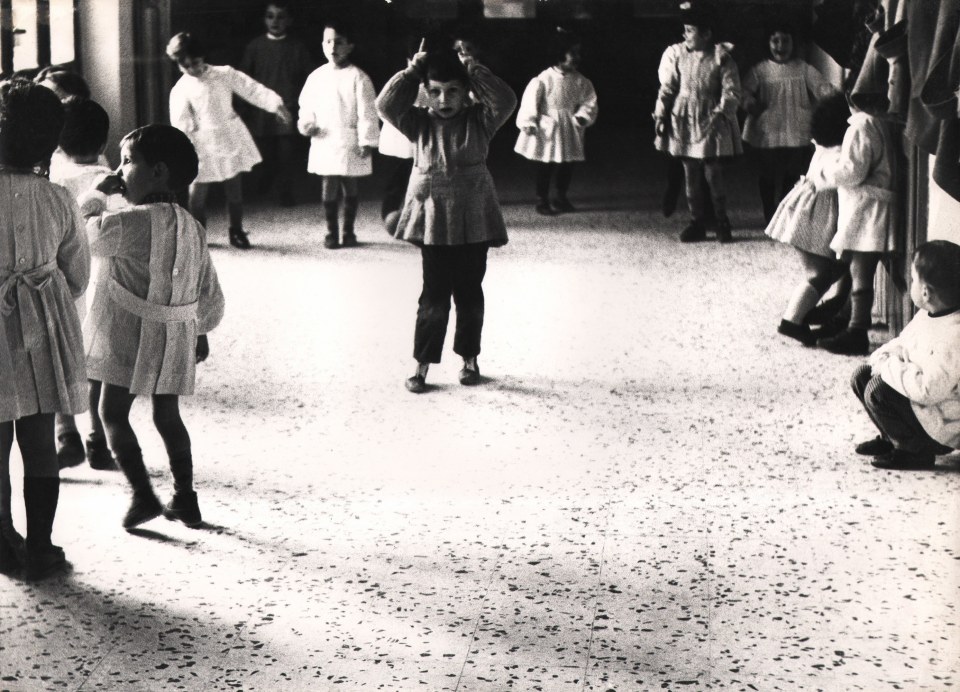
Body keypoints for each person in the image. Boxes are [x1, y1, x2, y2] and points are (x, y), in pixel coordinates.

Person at [78, 124, 225, 529]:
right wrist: (201, 329)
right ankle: (185, 497)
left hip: (128, 333)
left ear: (158, 172)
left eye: (127, 162)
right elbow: (206, 288)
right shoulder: (193, 226)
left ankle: (143, 495)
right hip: (177, 334)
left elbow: (78, 233)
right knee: (168, 416)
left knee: (111, 414)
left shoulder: (128, 224)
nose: (121, 171)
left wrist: (99, 193)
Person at [377, 46, 517, 393]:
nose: (444, 99)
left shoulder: (480, 121)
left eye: (453, 90)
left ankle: (470, 358)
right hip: (433, 220)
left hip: (474, 219)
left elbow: (506, 101)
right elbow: (385, 106)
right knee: (434, 296)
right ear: (425, 92)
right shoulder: (417, 122)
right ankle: (422, 365)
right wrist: (411, 72)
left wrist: (474, 68)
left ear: (466, 91)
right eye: (435, 91)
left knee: (469, 293)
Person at [0, 79, 89, 580]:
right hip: (40, 336)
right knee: (38, 443)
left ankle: (1, 541)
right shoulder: (58, 198)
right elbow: (77, 275)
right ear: (50, 142)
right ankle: (40, 546)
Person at [48, 97, 125, 471]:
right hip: (104, 284)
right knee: (95, 365)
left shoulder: (53, 181)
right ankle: (98, 440)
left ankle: (66, 434)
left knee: (58, 362)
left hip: (64, 284)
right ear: (102, 142)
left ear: (58, 144)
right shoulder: (112, 179)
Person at [166, 31, 292, 250]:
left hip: (228, 136)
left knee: (234, 188)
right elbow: (180, 121)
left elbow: (251, 88)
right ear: (179, 65)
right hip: (201, 142)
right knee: (197, 194)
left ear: (202, 56)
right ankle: (198, 235)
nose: (194, 69)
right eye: (186, 67)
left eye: (196, 63)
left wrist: (276, 105)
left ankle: (236, 230)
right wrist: (184, 147)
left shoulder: (224, 74)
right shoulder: (181, 89)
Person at [850, 240, 960, 470]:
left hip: (940, 425)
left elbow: (928, 390)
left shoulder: (954, 336)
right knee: (863, 375)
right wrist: (882, 357)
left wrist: (890, 366)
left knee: (879, 390)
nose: (910, 284)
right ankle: (891, 437)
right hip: (921, 406)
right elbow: (903, 342)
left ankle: (914, 450)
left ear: (925, 292)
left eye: (912, 280)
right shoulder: (928, 314)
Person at [765, 91, 850, 346]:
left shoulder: (822, 146)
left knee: (829, 270)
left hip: (804, 215)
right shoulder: (839, 154)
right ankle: (792, 320)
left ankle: (828, 307)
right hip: (816, 220)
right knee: (821, 274)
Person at [653, 0, 742, 243]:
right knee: (690, 173)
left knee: (713, 174)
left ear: (706, 33)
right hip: (683, 117)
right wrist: (661, 114)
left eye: (691, 31)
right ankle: (697, 221)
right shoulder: (679, 55)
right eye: (685, 30)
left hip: (710, 118)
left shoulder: (721, 57)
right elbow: (668, 87)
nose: (685, 35)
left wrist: (721, 113)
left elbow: (732, 91)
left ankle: (722, 220)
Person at [816, 93, 898, 355]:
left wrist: (825, 172)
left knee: (861, 271)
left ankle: (857, 331)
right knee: (854, 265)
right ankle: (843, 317)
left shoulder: (861, 125)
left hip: (868, 209)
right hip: (869, 206)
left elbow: (853, 171)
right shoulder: (878, 121)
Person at [741, 20, 834, 224]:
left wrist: (833, 97)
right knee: (768, 173)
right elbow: (745, 91)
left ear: (794, 43)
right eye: (775, 40)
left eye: (785, 41)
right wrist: (750, 103)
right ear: (768, 43)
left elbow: (822, 88)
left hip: (796, 128)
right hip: (769, 128)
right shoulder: (761, 70)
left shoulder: (803, 69)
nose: (780, 46)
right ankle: (769, 212)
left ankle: (784, 212)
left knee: (792, 173)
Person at [298, 20, 379, 249]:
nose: (333, 47)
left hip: (349, 140)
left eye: (339, 42)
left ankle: (349, 231)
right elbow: (306, 105)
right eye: (328, 41)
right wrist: (307, 123)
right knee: (328, 183)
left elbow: (367, 111)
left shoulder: (358, 77)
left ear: (350, 46)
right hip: (325, 138)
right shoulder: (316, 76)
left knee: (350, 184)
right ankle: (331, 232)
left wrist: (367, 139)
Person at [514, 27, 598, 215]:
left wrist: (583, 116)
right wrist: (528, 121)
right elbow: (530, 100)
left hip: (569, 125)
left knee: (568, 163)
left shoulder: (581, 81)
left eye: (578, 53)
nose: (577, 57)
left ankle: (561, 195)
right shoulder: (544, 79)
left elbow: (589, 101)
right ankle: (542, 198)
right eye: (572, 53)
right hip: (549, 127)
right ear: (559, 53)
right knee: (546, 164)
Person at [238, 1, 315, 206]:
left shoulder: (297, 48)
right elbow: (245, 80)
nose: (275, 21)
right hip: (261, 112)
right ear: (265, 19)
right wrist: (247, 108)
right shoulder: (255, 47)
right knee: (266, 154)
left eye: (280, 17)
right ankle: (267, 176)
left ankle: (286, 191)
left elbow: (310, 78)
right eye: (271, 16)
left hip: (287, 109)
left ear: (289, 21)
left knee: (286, 155)